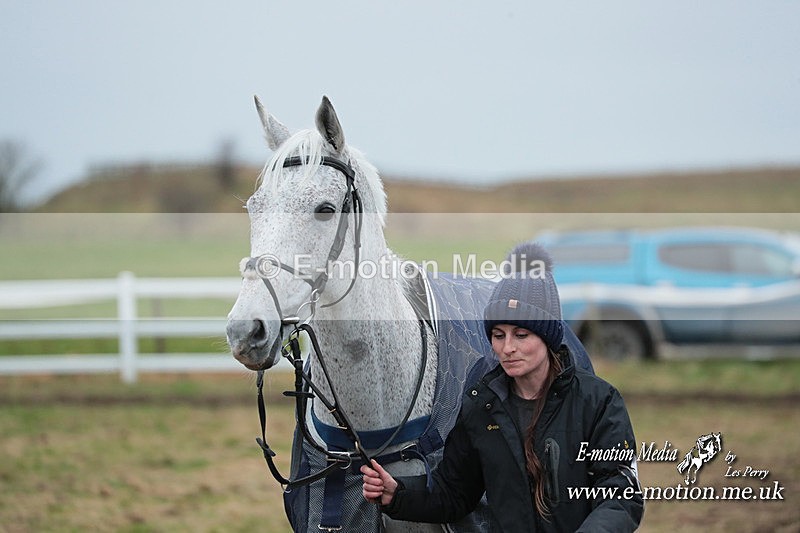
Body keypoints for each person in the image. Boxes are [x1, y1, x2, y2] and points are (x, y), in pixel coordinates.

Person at [361, 243, 644, 532]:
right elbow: (454, 494)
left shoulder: (598, 401)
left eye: (521, 335)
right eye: (498, 335)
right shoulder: (481, 404)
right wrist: (397, 494)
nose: (507, 348)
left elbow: (621, 495)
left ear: (547, 337)